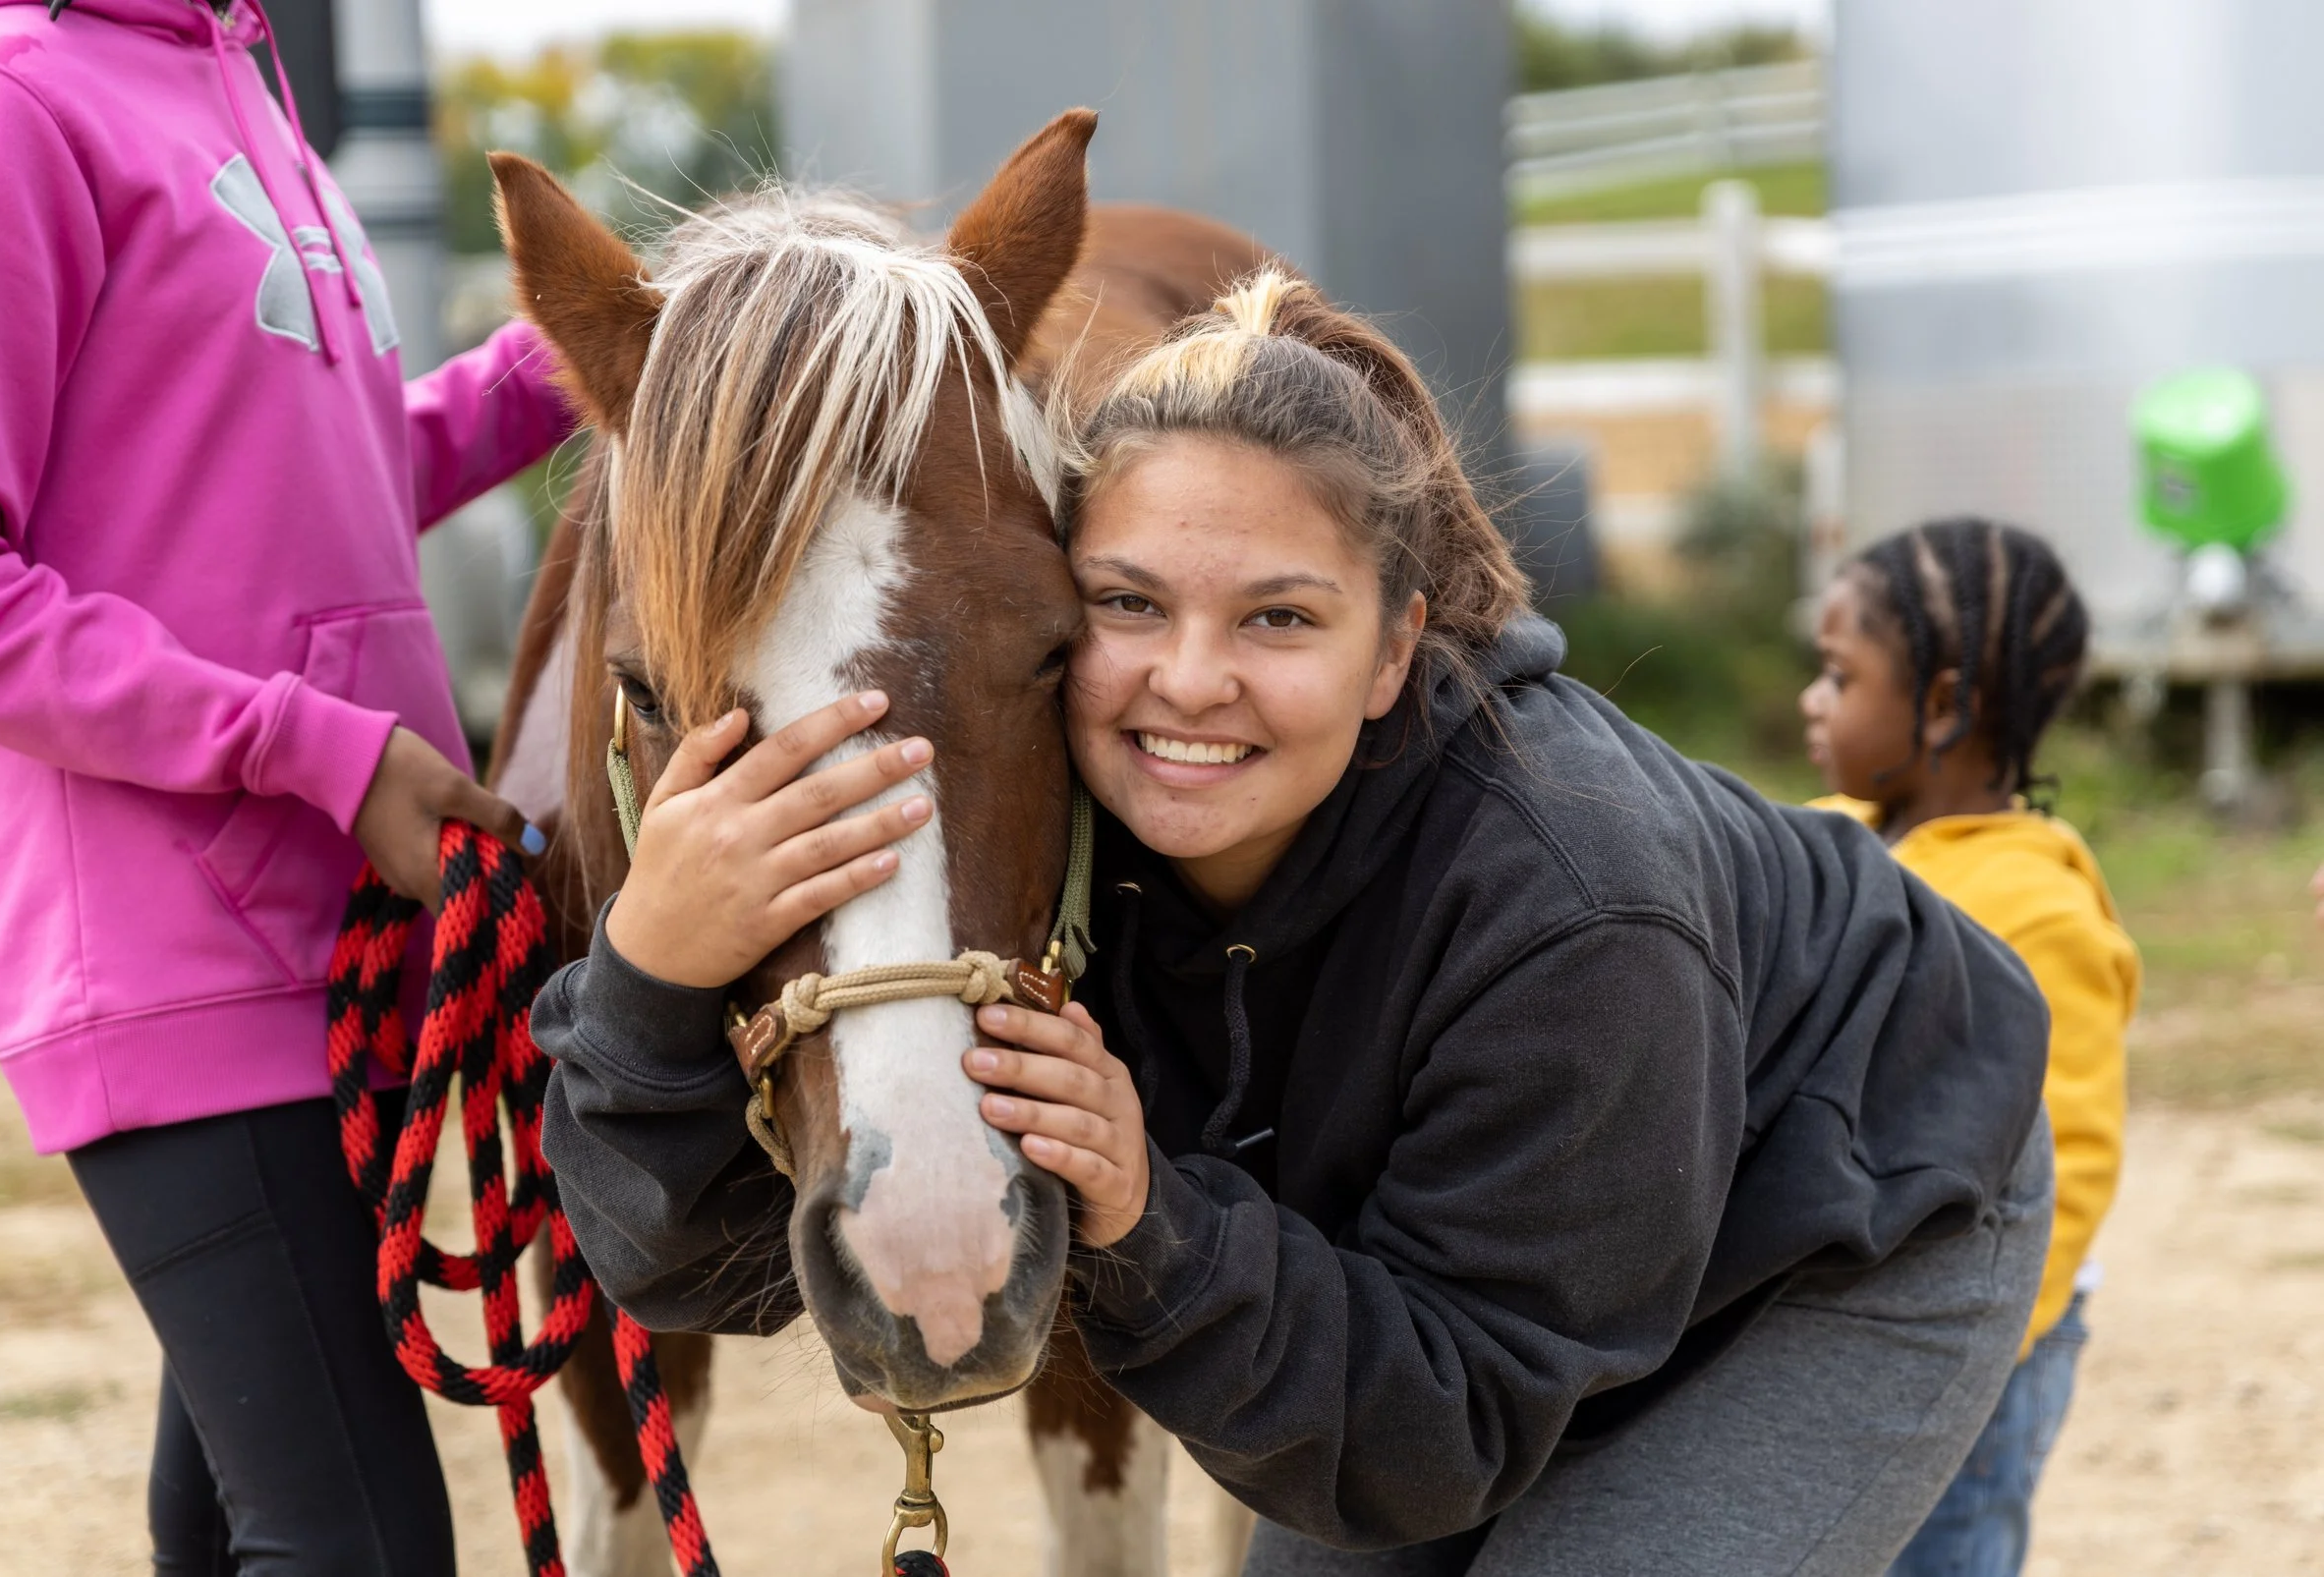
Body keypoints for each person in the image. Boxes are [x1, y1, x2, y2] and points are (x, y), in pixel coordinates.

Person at [535, 270, 2054, 1574]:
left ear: (1400, 646)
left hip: (1839, 1215)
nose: (1188, 682)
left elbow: (1440, 1435)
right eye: (1129, 605)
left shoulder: (1573, 908)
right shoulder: (1068, 822)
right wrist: (655, 975)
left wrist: (1154, 1225)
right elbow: (685, 1259)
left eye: (1278, 617)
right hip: (1463, 1268)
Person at [0, 0, 574, 1570]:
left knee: (248, 1515)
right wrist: (306, 747)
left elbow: (283, 482)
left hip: (330, 931)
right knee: (359, 1538)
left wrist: (562, 364)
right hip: (170, 941)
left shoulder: (226, 71)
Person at [1800, 520, 2138, 1577]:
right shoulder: (1824, 841)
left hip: (1977, 1353)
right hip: (1855, 1329)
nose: (1812, 701)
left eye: (1838, 676)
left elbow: (2071, 1159)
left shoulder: (2035, 915)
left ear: (1943, 706)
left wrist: (1982, 1349)